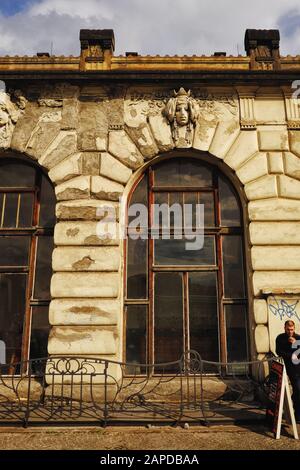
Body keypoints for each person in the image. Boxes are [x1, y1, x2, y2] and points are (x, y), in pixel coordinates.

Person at [276, 320, 300, 421]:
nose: (290, 331)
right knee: (298, 388)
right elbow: (279, 351)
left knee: (297, 390)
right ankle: (297, 412)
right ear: (284, 328)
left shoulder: (298, 338)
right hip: (290, 368)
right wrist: (290, 354)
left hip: (298, 366)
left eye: (292, 329)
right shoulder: (280, 338)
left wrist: (296, 344)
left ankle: (297, 413)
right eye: (288, 329)